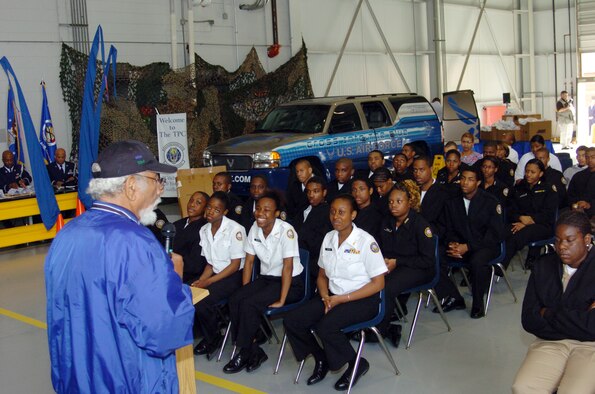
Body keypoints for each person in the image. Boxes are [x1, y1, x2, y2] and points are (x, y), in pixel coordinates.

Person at [45, 140, 195, 393]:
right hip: (127, 378)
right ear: (131, 186)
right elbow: (163, 331)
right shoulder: (134, 242)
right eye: (156, 180)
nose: (160, 190)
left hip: (80, 377)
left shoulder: (67, 234)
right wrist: (176, 285)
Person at [283, 194, 387, 390]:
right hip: (331, 295)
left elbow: (378, 283)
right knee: (293, 321)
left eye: (342, 212)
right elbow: (322, 276)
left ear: (353, 215)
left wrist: (343, 299)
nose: (336, 217)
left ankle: (356, 364)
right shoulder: (329, 238)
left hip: (362, 299)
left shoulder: (366, 241)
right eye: (332, 212)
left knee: (326, 326)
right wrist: (325, 297)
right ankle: (320, 359)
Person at [512, 211, 595, 393]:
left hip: (590, 346)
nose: (562, 246)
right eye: (557, 240)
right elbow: (529, 319)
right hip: (551, 342)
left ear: (587, 239)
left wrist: (547, 313)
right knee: (523, 387)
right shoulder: (543, 265)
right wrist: (582, 317)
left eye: (569, 240)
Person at [223, 192, 304, 374]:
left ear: (276, 213)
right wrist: (245, 289)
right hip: (267, 278)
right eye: (258, 208)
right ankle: (253, 349)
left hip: (289, 283)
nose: (260, 213)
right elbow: (249, 262)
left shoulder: (287, 231)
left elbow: (288, 268)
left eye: (267, 210)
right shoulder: (254, 227)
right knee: (236, 299)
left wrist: (283, 299)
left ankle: (245, 352)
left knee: (250, 304)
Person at [434, 166, 505, 318]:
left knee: (477, 261)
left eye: (470, 179)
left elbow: (494, 234)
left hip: (484, 246)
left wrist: (468, 246)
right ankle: (454, 297)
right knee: (434, 257)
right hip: (461, 246)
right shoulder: (452, 202)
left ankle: (478, 304)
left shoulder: (490, 202)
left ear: (478, 182)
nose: (465, 182)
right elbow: (447, 227)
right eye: (463, 178)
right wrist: (452, 244)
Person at [379, 180, 435, 343]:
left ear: (409, 202)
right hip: (394, 264)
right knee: (370, 281)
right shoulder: (387, 222)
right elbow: (382, 248)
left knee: (386, 287)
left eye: (398, 201)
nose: (393, 205)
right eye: (390, 201)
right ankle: (378, 323)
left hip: (419, 268)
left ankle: (382, 329)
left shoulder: (420, 225)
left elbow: (427, 259)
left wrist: (397, 261)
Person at [192, 191, 246, 359]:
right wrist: (202, 279)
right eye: (209, 207)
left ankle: (213, 337)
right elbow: (210, 263)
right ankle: (209, 333)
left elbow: (235, 265)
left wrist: (208, 282)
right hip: (215, 273)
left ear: (225, 212)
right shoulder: (204, 230)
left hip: (234, 276)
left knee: (202, 302)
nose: (210, 212)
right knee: (191, 293)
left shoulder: (235, 229)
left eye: (216, 209)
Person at [502, 159, 559, 270]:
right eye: (527, 171)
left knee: (517, 237)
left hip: (542, 225)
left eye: (532, 172)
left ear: (541, 173)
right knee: (501, 233)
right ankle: (489, 262)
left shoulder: (548, 188)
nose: (528, 174)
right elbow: (510, 209)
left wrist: (528, 222)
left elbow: (549, 213)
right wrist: (520, 218)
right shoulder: (519, 187)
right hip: (520, 222)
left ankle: (500, 266)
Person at [293, 176, 332, 283]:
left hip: (312, 263)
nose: (311, 195)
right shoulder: (304, 209)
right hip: (296, 257)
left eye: (316, 191)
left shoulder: (327, 212)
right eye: (309, 191)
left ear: (324, 192)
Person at [172, 191, 209, 283]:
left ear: (205, 208)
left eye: (198, 203)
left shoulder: (204, 229)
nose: (192, 205)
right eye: (191, 201)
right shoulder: (177, 224)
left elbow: (195, 265)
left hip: (187, 275)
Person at [413, 155, 447, 239]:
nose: (417, 174)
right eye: (415, 170)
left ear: (431, 169)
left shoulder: (442, 193)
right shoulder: (412, 191)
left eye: (421, 170)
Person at [567, 146, 595, 219]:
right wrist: (574, 204)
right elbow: (569, 195)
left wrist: (589, 204)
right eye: (587, 157)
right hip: (577, 210)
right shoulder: (578, 176)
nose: (590, 160)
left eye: (593, 157)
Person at [352, 176, 383, 241]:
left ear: (370, 191)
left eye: (362, 189)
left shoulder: (377, 214)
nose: (357, 193)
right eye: (354, 190)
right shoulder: (350, 209)